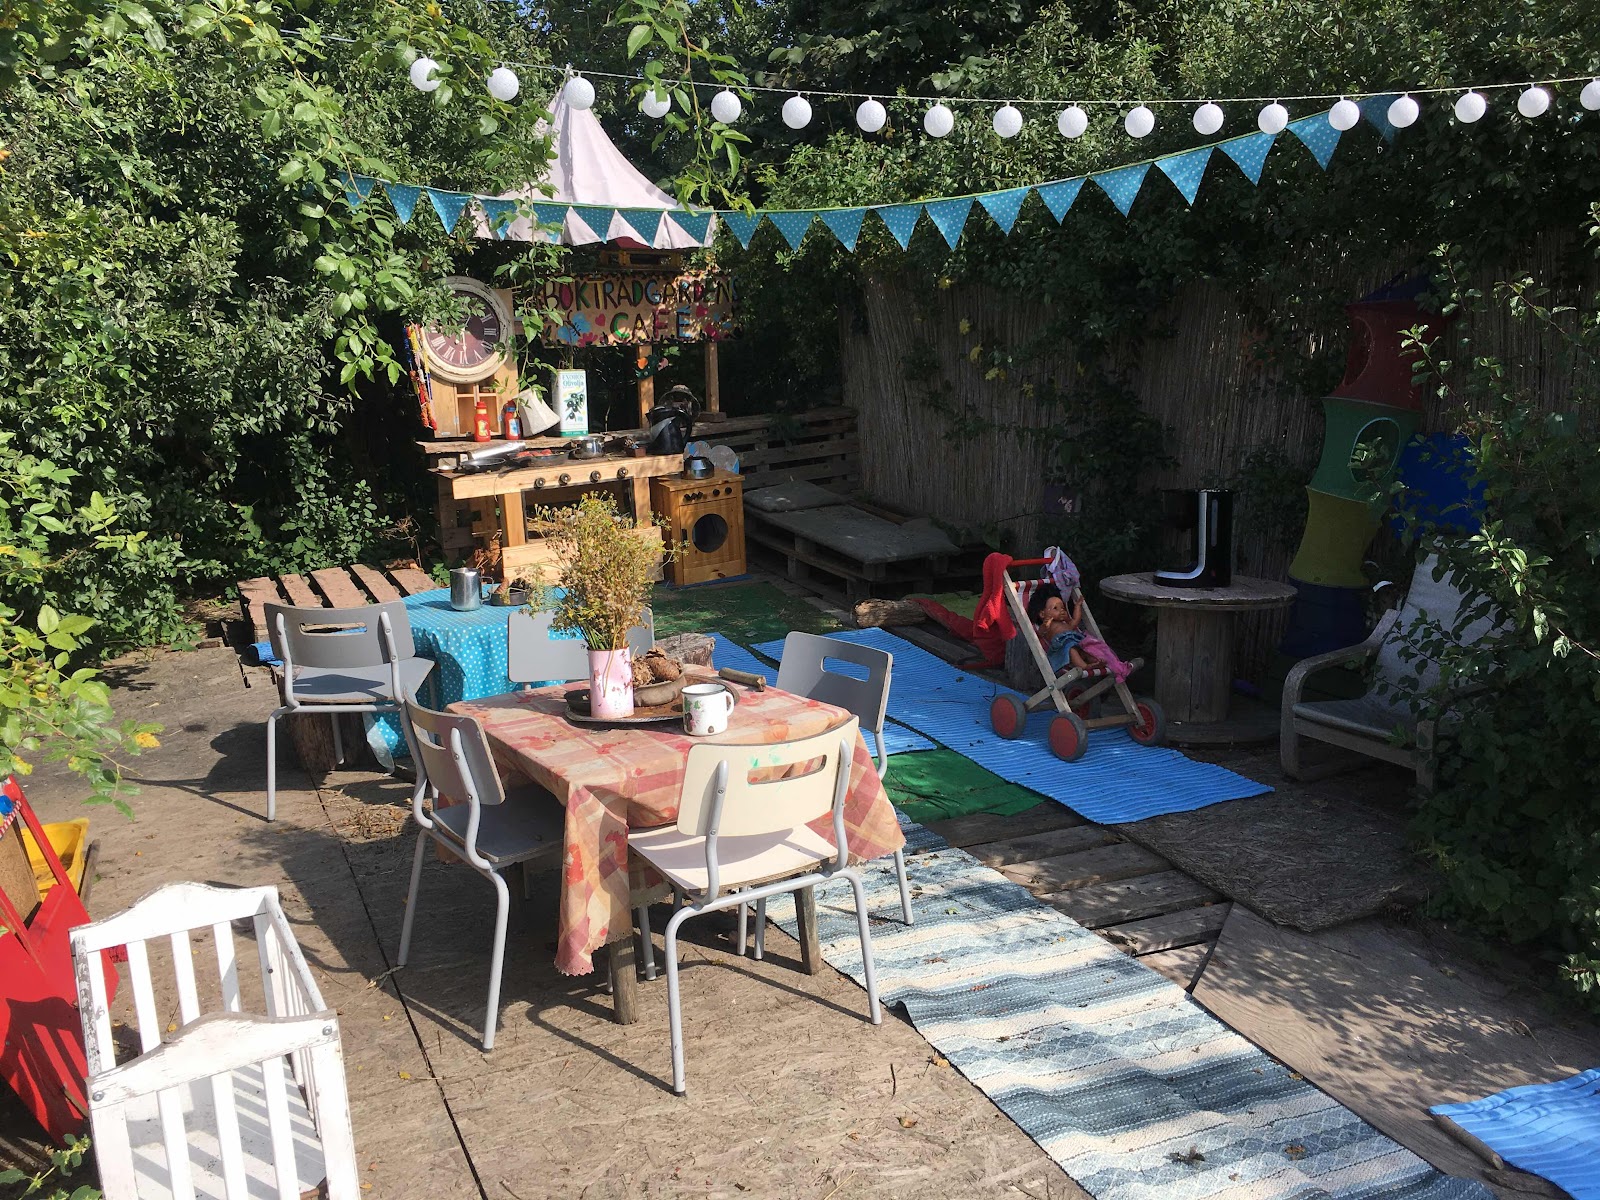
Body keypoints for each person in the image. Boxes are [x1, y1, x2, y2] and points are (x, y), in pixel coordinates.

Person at [1026, 582, 1102, 673]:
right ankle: (1084, 666)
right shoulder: (1048, 625)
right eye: (1055, 608)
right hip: (1063, 648)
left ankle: (1096, 662)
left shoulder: (1065, 623)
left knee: (1087, 649)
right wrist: (1045, 625)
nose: (1061, 610)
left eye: (1062, 608)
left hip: (1077, 643)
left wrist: (1077, 606)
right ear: (1042, 614)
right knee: (1072, 650)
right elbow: (1040, 634)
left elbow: (1075, 621)